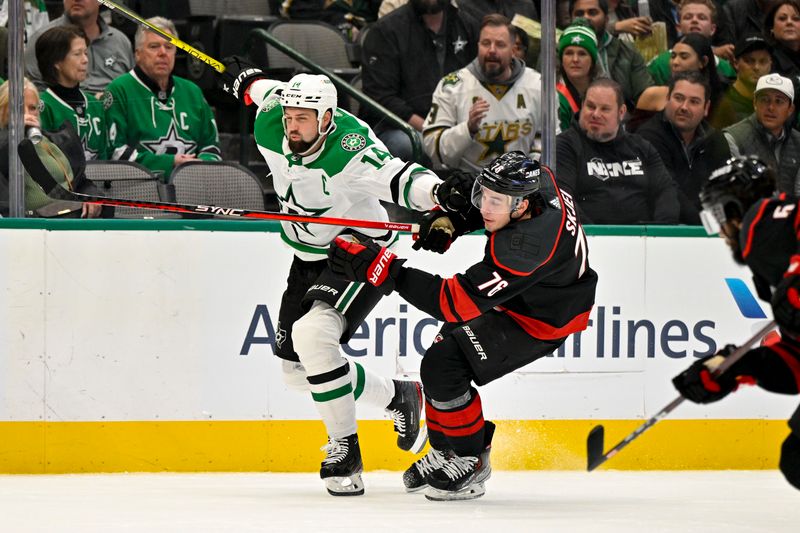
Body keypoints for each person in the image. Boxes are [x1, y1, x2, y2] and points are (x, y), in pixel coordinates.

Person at [217, 58, 476, 496]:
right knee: (296, 372)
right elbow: (263, 91)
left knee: (315, 336)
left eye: (303, 119)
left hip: (355, 253)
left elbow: (399, 177)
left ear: (328, 118)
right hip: (306, 255)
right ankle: (399, 396)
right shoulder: (271, 121)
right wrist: (249, 81)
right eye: (290, 117)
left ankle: (345, 450)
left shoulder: (350, 149)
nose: (293, 127)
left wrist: (439, 193)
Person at [327, 150, 599, 500]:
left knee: (446, 366)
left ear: (521, 207)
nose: (486, 206)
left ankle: (471, 461)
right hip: (522, 295)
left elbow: (452, 302)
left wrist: (383, 269)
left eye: (495, 202)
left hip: (540, 319)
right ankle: (447, 451)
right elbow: (492, 198)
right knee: (438, 363)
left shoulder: (527, 247)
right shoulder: (539, 182)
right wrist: (455, 221)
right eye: (483, 197)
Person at [672, 155, 799, 491]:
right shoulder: (770, 267)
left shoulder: (764, 223)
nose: (721, 234)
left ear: (732, 210)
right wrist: (740, 367)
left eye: (716, 218)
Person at [422, 14, 551, 173]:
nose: (491, 50)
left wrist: (529, 168)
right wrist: (467, 129)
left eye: (500, 44)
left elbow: (551, 137)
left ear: (513, 50)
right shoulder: (452, 86)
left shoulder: (538, 85)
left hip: (522, 183)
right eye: (485, 43)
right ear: (477, 46)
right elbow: (432, 149)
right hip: (466, 182)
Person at [360, 0, 479, 161]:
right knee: (411, 145)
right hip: (400, 126)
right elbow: (381, 97)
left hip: (457, 123)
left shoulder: (466, 24)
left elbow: (481, 80)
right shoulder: (386, 30)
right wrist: (432, 130)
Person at [103, 17, 221, 177]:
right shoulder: (119, 90)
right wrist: (170, 163)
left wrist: (199, 166)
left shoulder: (192, 92)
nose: (163, 53)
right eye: (154, 46)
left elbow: (211, 147)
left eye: (169, 47)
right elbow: (115, 152)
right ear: (137, 54)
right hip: (139, 190)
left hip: (193, 186)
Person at [556, 78, 680, 224]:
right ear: (582, 106)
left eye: (605, 109)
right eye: (590, 106)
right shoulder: (564, 146)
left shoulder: (642, 147)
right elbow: (562, 199)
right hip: (589, 238)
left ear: (621, 112)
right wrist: (596, 235)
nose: (595, 114)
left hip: (642, 238)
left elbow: (666, 192)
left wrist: (659, 233)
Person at [637, 71, 731, 224]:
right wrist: (706, 226)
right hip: (663, 231)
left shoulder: (716, 140)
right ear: (667, 99)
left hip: (707, 229)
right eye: (678, 98)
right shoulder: (648, 137)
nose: (684, 107)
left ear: (706, 108)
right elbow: (668, 191)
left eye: (694, 101)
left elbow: (724, 190)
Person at [0, 78, 101, 218]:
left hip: (72, 215)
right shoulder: (5, 143)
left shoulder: (55, 141)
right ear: (3, 110)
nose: (27, 114)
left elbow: (81, 181)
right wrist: (14, 133)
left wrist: (91, 196)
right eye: (18, 108)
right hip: (33, 224)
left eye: (32, 108)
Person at [25, 0, 134, 93]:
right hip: (63, 112)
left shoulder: (120, 41)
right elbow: (34, 91)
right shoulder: (43, 39)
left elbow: (131, 89)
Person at [36, 25, 108, 161]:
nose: (85, 60)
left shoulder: (95, 104)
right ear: (56, 61)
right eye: (77, 54)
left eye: (85, 53)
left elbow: (105, 156)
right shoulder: (43, 106)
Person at [569, 0, 655, 109]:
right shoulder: (557, 53)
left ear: (606, 19)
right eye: (579, 14)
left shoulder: (627, 51)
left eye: (592, 12)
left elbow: (645, 93)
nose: (585, 18)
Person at [723, 73, 800, 195]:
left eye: (779, 101)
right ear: (754, 103)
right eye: (764, 99)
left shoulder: (798, 141)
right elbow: (735, 193)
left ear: (790, 109)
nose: (771, 107)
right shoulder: (733, 138)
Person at [646, 0, 736, 86]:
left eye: (702, 17)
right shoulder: (659, 66)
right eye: (688, 17)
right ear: (679, 27)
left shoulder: (726, 69)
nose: (694, 21)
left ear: (712, 29)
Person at [709, 35, 773, 130]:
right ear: (735, 63)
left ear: (770, 64)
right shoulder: (720, 100)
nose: (756, 67)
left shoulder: (774, 103)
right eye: (749, 61)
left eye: (763, 61)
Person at [556, 19, 600, 131]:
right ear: (561, 59)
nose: (575, 59)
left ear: (592, 60)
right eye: (569, 53)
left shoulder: (605, 91)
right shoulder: (553, 97)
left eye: (582, 54)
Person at [764, 0, 800, 106]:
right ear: (772, 29)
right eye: (782, 18)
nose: (789, 22)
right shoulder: (766, 59)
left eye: (796, 19)